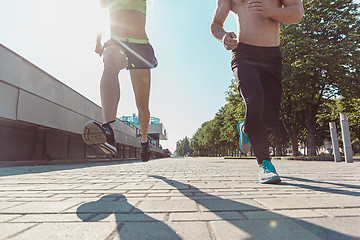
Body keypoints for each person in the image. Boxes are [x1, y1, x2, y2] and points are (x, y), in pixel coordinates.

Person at [210, 0, 303, 183]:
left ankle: (246, 128)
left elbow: (297, 14)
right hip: (243, 54)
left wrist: (270, 11)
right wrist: (223, 37)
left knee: (268, 117)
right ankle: (265, 164)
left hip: (272, 56)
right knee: (254, 99)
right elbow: (215, 24)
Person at [82, 0, 157, 162]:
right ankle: (109, 130)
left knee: (143, 106)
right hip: (116, 41)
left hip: (140, 47)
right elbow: (100, 16)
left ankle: (144, 141)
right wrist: (98, 41)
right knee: (112, 61)